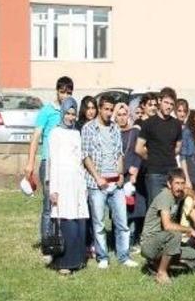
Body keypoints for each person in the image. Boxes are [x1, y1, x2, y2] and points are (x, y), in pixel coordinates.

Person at [82, 95, 137, 269]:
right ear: (99, 108)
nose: (108, 113)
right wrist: (97, 177)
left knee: (122, 222)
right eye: (106, 109)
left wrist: (121, 174)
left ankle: (123, 255)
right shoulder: (88, 128)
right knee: (99, 223)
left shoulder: (114, 128)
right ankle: (103, 256)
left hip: (116, 183)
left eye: (110, 109)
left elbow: (119, 153)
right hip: (97, 183)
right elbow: (86, 156)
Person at [25, 75, 73, 252]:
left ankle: (60, 239)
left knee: (63, 203)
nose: (65, 96)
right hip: (49, 163)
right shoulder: (47, 111)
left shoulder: (70, 113)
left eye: (69, 92)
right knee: (48, 205)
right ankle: (47, 243)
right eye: (62, 92)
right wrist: (30, 163)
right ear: (57, 91)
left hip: (65, 165)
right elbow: (36, 137)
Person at [47, 97, 89, 274]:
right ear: (63, 113)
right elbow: (53, 162)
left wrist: (84, 184)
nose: (71, 117)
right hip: (61, 181)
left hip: (77, 181)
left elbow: (79, 160)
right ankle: (63, 262)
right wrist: (53, 189)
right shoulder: (55, 133)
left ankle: (76, 260)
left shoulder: (76, 133)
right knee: (65, 218)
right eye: (68, 113)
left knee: (77, 218)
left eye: (73, 114)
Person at [140, 168, 195, 284]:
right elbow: (167, 225)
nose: (180, 187)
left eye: (182, 183)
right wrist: (190, 230)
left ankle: (155, 265)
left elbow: (188, 191)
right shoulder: (165, 197)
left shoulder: (179, 193)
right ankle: (161, 273)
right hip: (149, 244)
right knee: (175, 235)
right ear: (169, 184)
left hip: (164, 241)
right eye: (176, 183)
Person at [135, 87, 183, 206]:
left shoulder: (177, 124)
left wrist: (167, 155)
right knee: (155, 208)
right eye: (166, 102)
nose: (169, 106)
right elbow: (139, 148)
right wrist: (151, 158)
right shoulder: (148, 123)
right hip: (154, 173)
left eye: (172, 104)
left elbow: (177, 148)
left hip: (172, 172)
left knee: (172, 208)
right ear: (159, 101)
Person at [116, 102, 146, 250]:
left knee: (133, 209)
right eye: (119, 115)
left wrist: (135, 169)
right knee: (118, 209)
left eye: (124, 114)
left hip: (131, 175)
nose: (122, 118)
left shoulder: (134, 131)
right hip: (116, 175)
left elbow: (139, 152)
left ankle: (133, 239)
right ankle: (119, 240)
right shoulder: (112, 131)